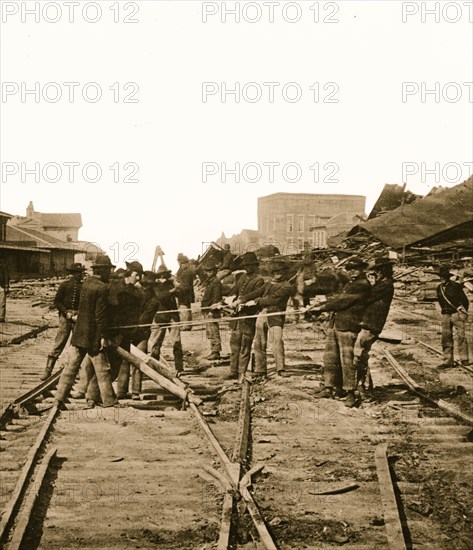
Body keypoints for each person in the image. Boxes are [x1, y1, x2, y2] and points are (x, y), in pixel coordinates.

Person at [54, 255, 119, 409]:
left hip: (79, 334)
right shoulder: (102, 288)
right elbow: (100, 315)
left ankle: (59, 398)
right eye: (108, 270)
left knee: (71, 367)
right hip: (93, 336)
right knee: (102, 369)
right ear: (102, 271)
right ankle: (109, 401)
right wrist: (103, 336)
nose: (109, 273)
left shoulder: (86, 284)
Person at [311, 257, 371, 407]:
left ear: (362, 269)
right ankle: (329, 387)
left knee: (347, 361)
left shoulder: (363, 285)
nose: (352, 272)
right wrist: (319, 305)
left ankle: (350, 392)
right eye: (349, 269)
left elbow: (342, 301)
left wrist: (321, 307)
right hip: (337, 324)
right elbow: (337, 298)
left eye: (355, 269)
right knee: (330, 358)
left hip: (349, 326)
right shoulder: (350, 284)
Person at [353, 256, 395, 393]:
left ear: (383, 270)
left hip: (371, 324)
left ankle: (363, 386)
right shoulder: (382, 283)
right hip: (370, 324)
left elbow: (368, 297)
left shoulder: (386, 285)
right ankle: (364, 386)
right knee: (362, 356)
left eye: (378, 270)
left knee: (359, 355)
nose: (376, 272)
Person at [41, 262, 86, 380]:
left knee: (77, 344)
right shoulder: (64, 285)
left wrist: (79, 314)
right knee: (59, 342)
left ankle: (74, 370)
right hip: (65, 317)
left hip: (78, 318)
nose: (79, 275)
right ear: (72, 274)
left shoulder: (84, 286)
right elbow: (57, 302)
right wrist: (66, 312)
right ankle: (48, 370)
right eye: (77, 273)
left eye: (80, 273)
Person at [107, 260, 144, 398]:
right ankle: (96, 393)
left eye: (140, 275)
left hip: (126, 332)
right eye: (136, 274)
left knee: (123, 362)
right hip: (114, 332)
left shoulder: (135, 291)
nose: (139, 278)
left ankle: (120, 392)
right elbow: (111, 310)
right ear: (128, 274)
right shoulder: (116, 288)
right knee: (111, 364)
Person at [228, 252, 265, 381]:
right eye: (246, 265)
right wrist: (226, 300)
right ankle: (233, 371)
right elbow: (234, 291)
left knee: (245, 347)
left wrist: (242, 301)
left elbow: (256, 295)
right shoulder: (242, 277)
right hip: (237, 318)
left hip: (248, 317)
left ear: (255, 266)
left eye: (251, 265)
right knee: (234, 345)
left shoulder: (259, 280)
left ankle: (241, 372)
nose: (248, 268)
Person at [253, 260, 293, 379]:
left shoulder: (286, 286)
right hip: (262, 314)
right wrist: (242, 299)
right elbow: (257, 292)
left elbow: (274, 299)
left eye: (280, 272)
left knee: (277, 341)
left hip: (276, 316)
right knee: (259, 342)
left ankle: (280, 368)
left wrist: (258, 301)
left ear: (284, 273)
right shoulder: (268, 283)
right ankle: (260, 369)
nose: (277, 274)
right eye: (275, 272)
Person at [148, 264, 184, 373]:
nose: (162, 278)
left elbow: (182, 294)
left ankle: (179, 368)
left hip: (173, 317)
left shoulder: (171, 284)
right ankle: (154, 367)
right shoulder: (155, 287)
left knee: (176, 343)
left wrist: (177, 285)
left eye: (165, 275)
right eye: (160, 276)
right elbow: (161, 296)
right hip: (160, 317)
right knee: (155, 344)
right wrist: (173, 290)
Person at [436, 265, 470, 368]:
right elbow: (441, 302)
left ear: (447, 277)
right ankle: (448, 361)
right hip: (445, 315)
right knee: (446, 338)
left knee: (461, 336)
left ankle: (464, 359)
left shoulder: (455, 286)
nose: (442, 278)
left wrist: (463, 313)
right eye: (441, 276)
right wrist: (444, 312)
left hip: (456, 314)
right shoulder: (439, 288)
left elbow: (465, 301)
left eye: (444, 276)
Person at [200, 262, 223, 360]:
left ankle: (216, 351)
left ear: (215, 271)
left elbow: (216, 297)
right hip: (207, 309)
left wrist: (211, 309)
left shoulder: (216, 282)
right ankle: (213, 350)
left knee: (214, 331)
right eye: (207, 271)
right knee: (210, 331)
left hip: (212, 310)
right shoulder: (210, 281)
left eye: (211, 271)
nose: (209, 273)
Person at [176, 253, 196, 330]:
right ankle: (187, 325)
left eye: (181, 263)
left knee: (184, 308)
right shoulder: (187, 271)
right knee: (186, 308)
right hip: (187, 292)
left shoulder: (185, 272)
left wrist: (177, 286)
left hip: (184, 292)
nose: (180, 265)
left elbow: (184, 285)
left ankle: (186, 325)